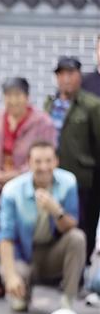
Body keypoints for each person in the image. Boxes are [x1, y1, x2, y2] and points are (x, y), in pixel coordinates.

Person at [0, 78, 56, 299]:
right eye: (9, 95)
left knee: (22, 234)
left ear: (27, 97)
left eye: (18, 95)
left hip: (26, 188)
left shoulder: (42, 122)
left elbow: (47, 154)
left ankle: (24, 282)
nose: (13, 100)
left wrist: (15, 175)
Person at [0, 141, 86, 311]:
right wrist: (10, 276)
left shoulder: (68, 182)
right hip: (23, 256)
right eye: (38, 161)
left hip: (53, 252)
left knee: (77, 238)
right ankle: (22, 292)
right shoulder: (12, 190)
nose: (44, 167)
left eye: (48, 161)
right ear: (29, 163)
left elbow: (72, 224)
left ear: (56, 161)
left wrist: (56, 211)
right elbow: (5, 236)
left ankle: (68, 301)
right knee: (19, 305)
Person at [45, 56, 100, 263]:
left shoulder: (91, 105)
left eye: (71, 74)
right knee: (53, 222)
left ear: (79, 76)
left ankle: (80, 269)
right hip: (51, 176)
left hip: (81, 178)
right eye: (61, 74)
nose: (66, 79)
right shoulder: (50, 103)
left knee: (82, 225)